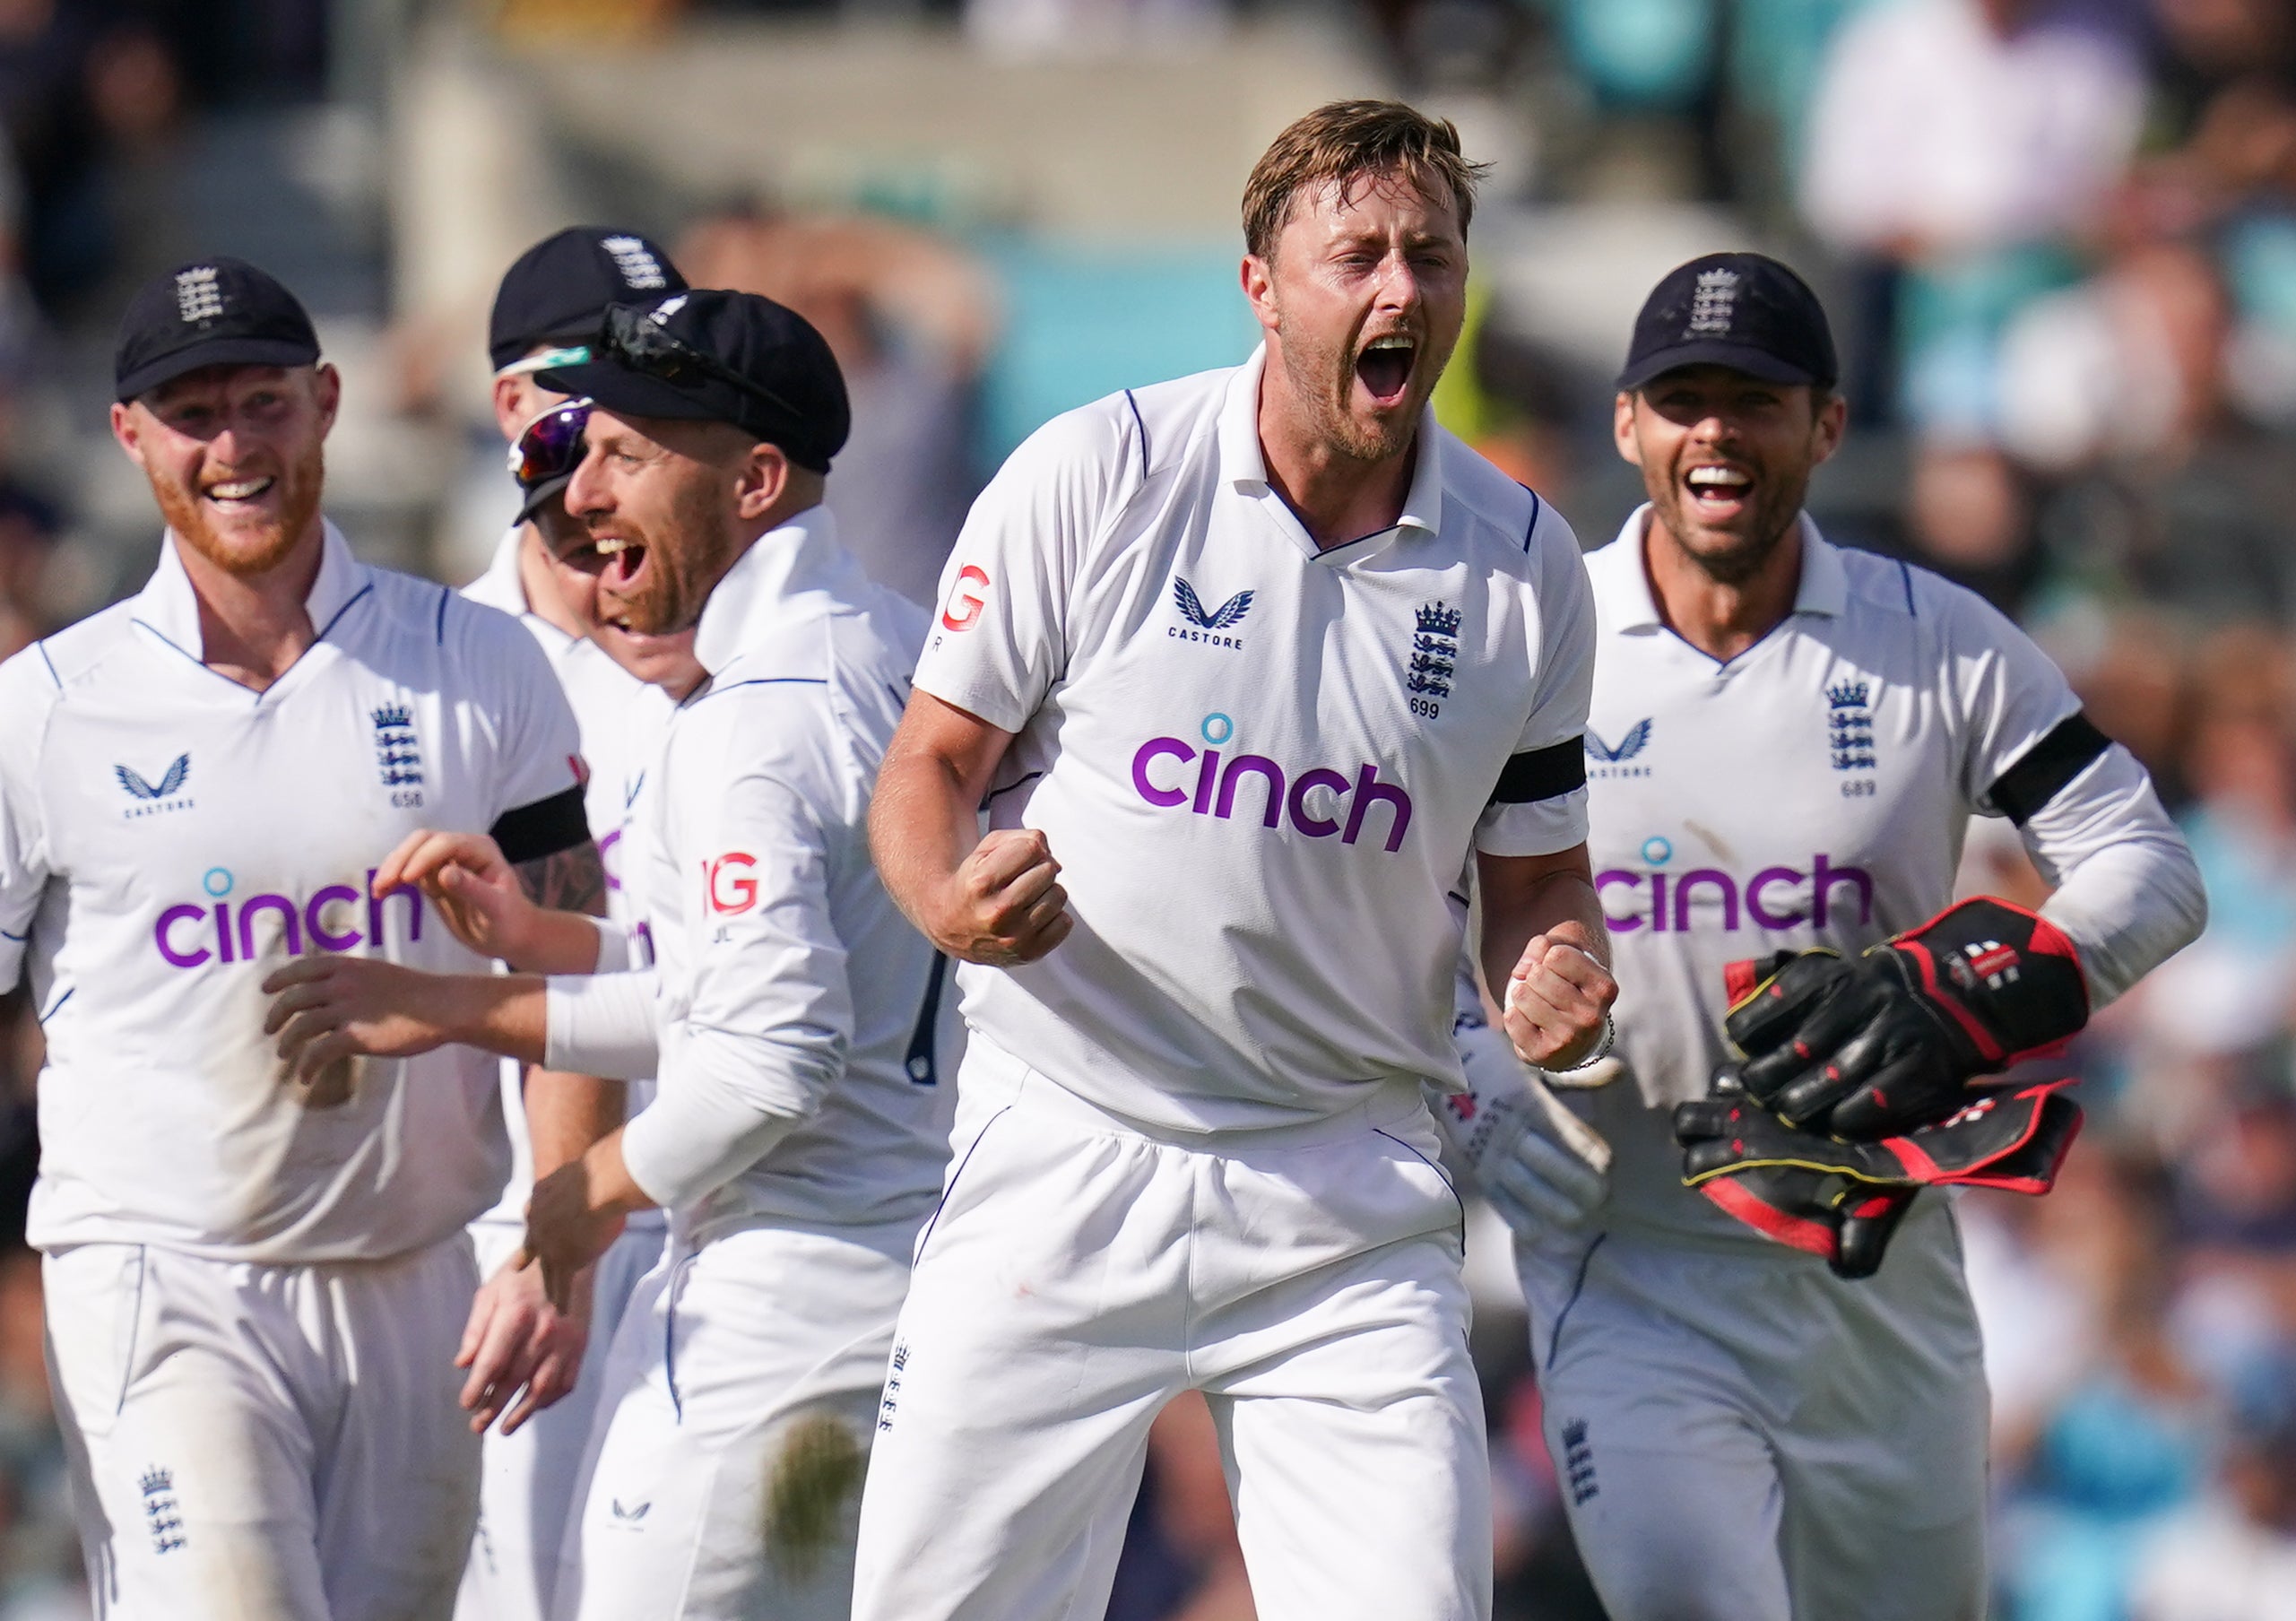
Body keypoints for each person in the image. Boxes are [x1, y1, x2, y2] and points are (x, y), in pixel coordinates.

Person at [850, 98, 1614, 1621]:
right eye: (1359, 256)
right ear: (1263, 285)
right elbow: (931, 768)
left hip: (1346, 1188)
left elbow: (1535, 880)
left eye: (1433, 255)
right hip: (1068, 1143)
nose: (1401, 290)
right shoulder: (1101, 470)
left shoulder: (1528, 566)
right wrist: (946, 898)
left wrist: (1557, 972)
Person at [1488, 251, 2206, 1621]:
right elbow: (1406, 912)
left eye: (1753, 400)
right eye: (1679, 398)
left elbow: (2146, 866)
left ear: (1824, 425)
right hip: (1635, 1264)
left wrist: (1962, 996)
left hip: (1879, 1274)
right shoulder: (1536, 645)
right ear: (1629, 424)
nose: (1715, 432)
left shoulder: (1938, 640)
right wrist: (1482, 1090)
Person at [262, 288, 949, 1620]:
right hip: (906, 1296)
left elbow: (767, 1062)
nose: (580, 492)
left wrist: (574, 1207)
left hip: (773, 1314)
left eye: (628, 456)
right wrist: (489, 986)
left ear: (753, 481)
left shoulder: (755, 716)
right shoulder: (897, 652)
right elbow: (756, 984)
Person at [0, 256, 599, 1617]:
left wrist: (560, 1234)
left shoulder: (477, 659)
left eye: (262, 403)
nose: (233, 448)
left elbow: (572, 960)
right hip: (167, 1277)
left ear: (326, 404)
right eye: (193, 413)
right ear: (129, 435)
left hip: (415, 1280)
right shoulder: (41, 711)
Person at [452, 225, 693, 1621]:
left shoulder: (764, 660)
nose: (616, 426)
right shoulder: (426, 669)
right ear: (510, 409)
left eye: (658, 386)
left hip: (734, 1241)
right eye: (587, 385)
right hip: (509, 1258)